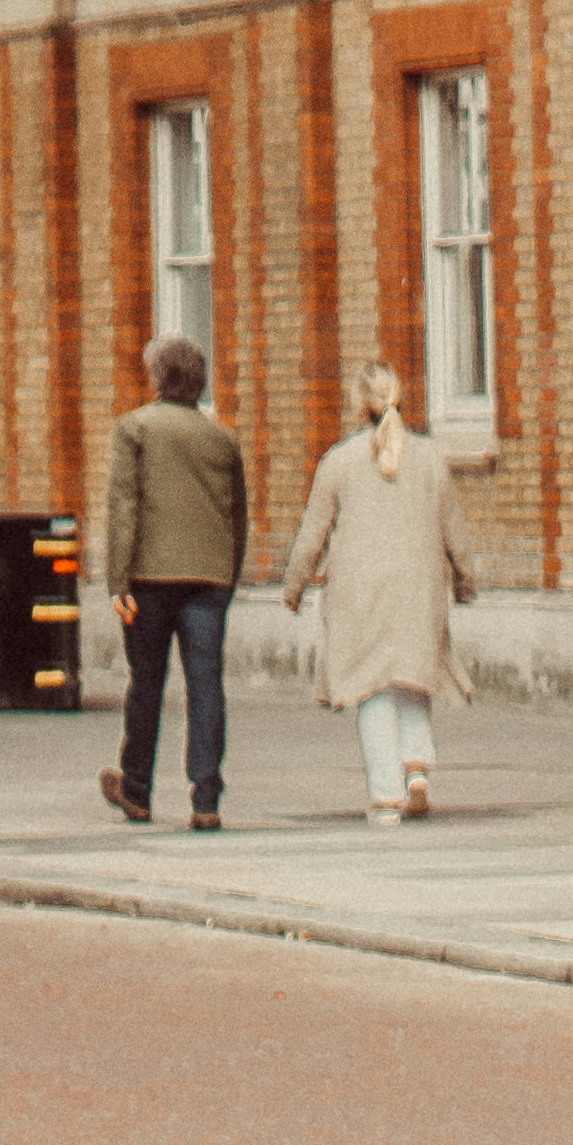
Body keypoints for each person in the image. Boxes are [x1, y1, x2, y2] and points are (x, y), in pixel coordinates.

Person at [281, 358, 472, 822]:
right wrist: (466, 578)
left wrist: (295, 584)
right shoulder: (430, 459)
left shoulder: (339, 461)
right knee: (412, 672)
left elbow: (313, 533)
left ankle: (386, 795)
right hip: (418, 586)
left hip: (358, 592)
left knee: (372, 686)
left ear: (357, 405)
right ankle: (417, 765)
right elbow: (454, 530)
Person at [97, 328, 246, 832]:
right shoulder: (223, 438)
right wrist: (228, 577)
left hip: (148, 578)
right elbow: (237, 515)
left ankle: (136, 788)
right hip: (209, 577)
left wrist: (116, 581)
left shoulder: (133, 429)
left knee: (147, 682)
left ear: (158, 378)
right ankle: (206, 797)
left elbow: (124, 507)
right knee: (206, 686)